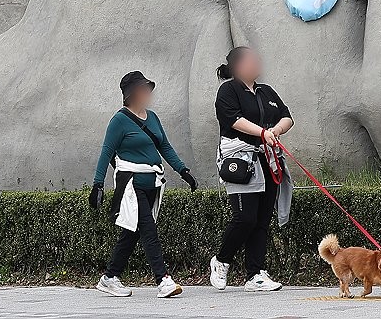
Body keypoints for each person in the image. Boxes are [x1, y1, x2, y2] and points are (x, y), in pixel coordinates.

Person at [90, 71, 198, 298]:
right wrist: (98, 185)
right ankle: (163, 280)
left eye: (148, 88)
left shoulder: (153, 117)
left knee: (132, 232)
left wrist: (183, 171)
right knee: (148, 229)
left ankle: (109, 277)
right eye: (142, 88)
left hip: (152, 183)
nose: (147, 93)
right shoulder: (119, 120)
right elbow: (106, 152)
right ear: (130, 94)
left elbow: (165, 147)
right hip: (131, 184)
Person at [209, 47, 294, 292]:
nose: (257, 62)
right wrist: (262, 132)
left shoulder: (265, 91)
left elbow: (287, 116)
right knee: (245, 217)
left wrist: (276, 130)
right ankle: (221, 260)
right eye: (251, 59)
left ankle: (255, 273)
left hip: (268, 158)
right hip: (241, 160)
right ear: (237, 66)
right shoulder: (228, 90)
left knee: (262, 219)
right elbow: (233, 119)